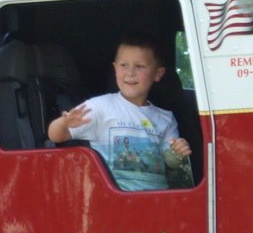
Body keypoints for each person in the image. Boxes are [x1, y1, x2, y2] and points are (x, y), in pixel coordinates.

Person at [47, 34, 192, 191]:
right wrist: (63, 123)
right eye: (123, 65)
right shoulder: (99, 107)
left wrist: (178, 152)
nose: (130, 72)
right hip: (115, 200)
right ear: (115, 68)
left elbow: (171, 161)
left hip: (157, 200)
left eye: (140, 66)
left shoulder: (165, 118)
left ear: (158, 73)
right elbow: (56, 136)